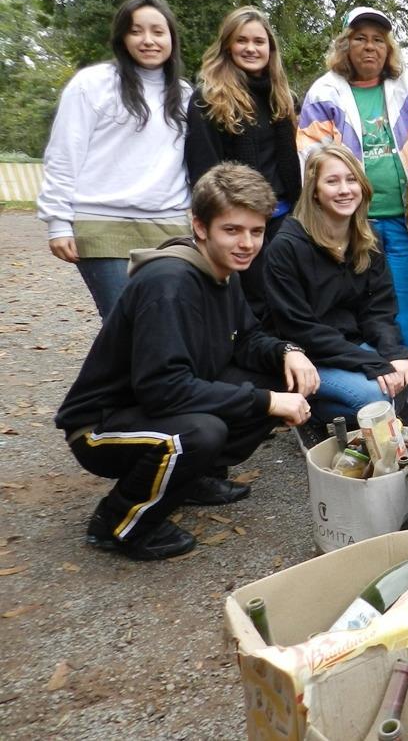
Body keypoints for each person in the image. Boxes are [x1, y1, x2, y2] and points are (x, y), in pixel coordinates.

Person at [56, 163, 319, 561]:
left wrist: (288, 352)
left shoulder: (224, 270)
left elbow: (248, 338)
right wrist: (266, 402)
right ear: (200, 226)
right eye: (232, 230)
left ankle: (191, 478)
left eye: (256, 231)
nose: (246, 243)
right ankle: (117, 523)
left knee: (280, 378)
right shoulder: (169, 284)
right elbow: (163, 389)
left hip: (156, 405)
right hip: (100, 427)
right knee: (200, 433)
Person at [296, 6, 408, 365]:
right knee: (364, 310)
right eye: (360, 39)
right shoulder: (325, 93)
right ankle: (377, 378)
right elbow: (311, 161)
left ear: (388, 48)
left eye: (378, 40)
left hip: (402, 220)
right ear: (345, 45)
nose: (369, 47)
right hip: (353, 225)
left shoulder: (404, 85)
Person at [37, 0, 193, 320]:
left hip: (169, 227)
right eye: (136, 31)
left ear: (172, 38)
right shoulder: (92, 84)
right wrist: (58, 223)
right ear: (122, 37)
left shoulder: (184, 95)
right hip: (101, 224)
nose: (148, 40)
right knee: (123, 325)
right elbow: (64, 153)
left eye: (158, 31)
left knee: (166, 323)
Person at [264, 144, 408, 435]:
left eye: (351, 180)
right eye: (332, 181)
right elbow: (299, 328)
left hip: (354, 345)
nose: (345, 190)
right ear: (314, 191)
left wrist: (394, 354)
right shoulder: (287, 246)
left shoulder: (368, 239)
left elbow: (379, 310)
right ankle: (310, 411)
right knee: (377, 398)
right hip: (309, 356)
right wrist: (374, 364)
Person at [184, 6, 300, 318]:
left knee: (286, 299)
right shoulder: (209, 98)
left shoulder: (282, 97)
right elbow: (204, 169)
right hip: (238, 220)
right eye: (242, 40)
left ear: (270, 48)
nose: (251, 48)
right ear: (227, 46)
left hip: (283, 217)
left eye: (259, 41)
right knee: (250, 304)